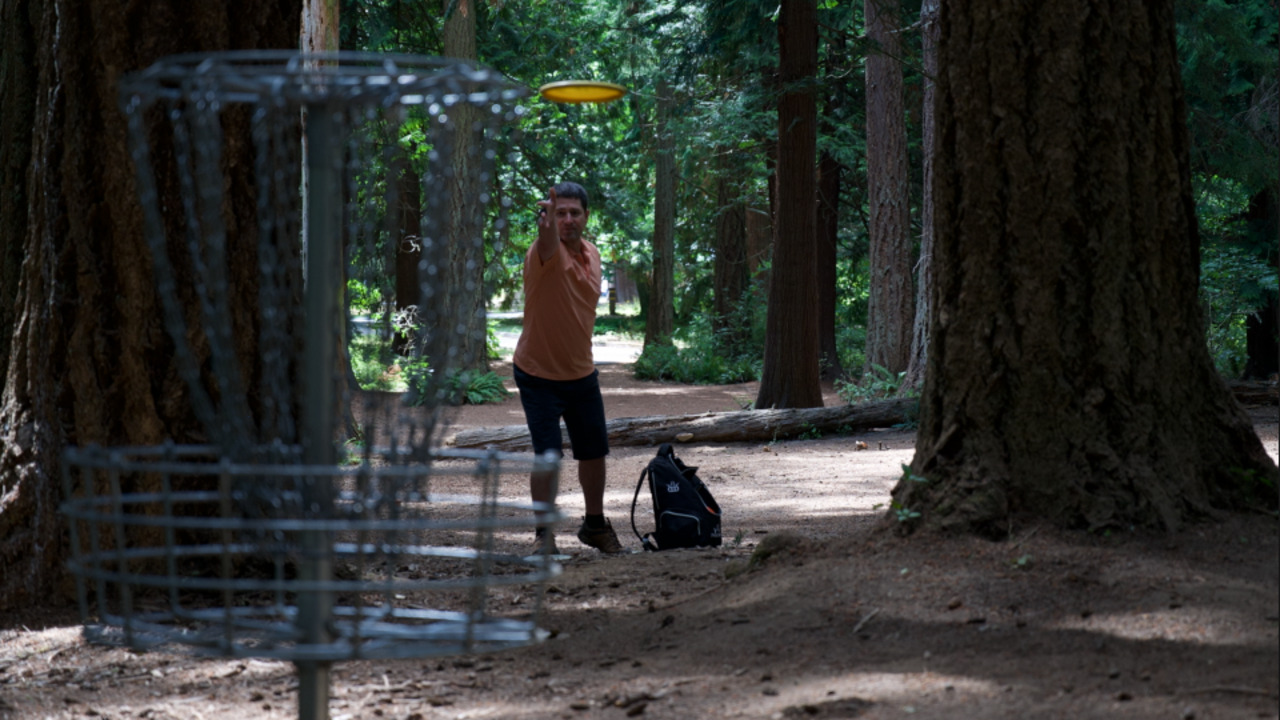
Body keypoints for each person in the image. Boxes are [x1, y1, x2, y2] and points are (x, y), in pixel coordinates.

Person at [513, 182, 625, 555]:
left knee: (593, 452)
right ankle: (543, 538)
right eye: (559, 213)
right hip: (537, 374)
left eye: (574, 212)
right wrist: (544, 228)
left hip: (581, 373)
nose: (567, 220)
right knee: (547, 456)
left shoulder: (592, 254)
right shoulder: (545, 254)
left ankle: (594, 526)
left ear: (586, 217)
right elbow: (547, 242)